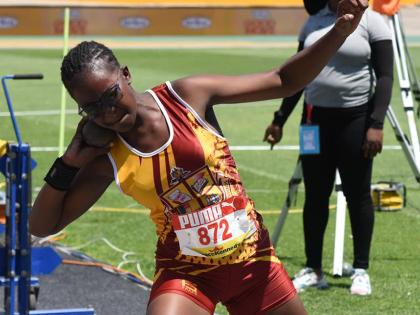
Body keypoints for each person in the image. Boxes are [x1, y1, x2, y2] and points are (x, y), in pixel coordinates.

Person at [29, 1, 368, 314]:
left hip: (254, 261)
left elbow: (283, 80)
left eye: (111, 94)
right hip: (187, 274)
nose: (107, 111)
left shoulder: (187, 96)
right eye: (92, 107)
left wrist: (339, 31)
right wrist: (69, 163)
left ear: (126, 75)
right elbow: (43, 225)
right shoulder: (105, 156)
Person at [263, 0, 393, 296]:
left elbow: (385, 77)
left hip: (356, 120)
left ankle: (361, 270)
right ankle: (313, 269)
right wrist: (279, 119)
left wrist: (376, 124)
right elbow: (294, 76)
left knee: (358, 193)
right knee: (316, 195)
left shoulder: (372, 22)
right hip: (314, 120)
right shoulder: (313, 22)